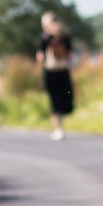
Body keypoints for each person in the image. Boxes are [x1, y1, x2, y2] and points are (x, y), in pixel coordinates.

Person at [37, 12, 79, 140]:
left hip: (63, 71)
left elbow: (71, 53)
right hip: (50, 72)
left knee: (67, 100)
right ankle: (58, 128)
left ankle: (60, 124)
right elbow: (40, 56)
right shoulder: (44, 38)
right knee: (54, 101)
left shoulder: (65, 37)